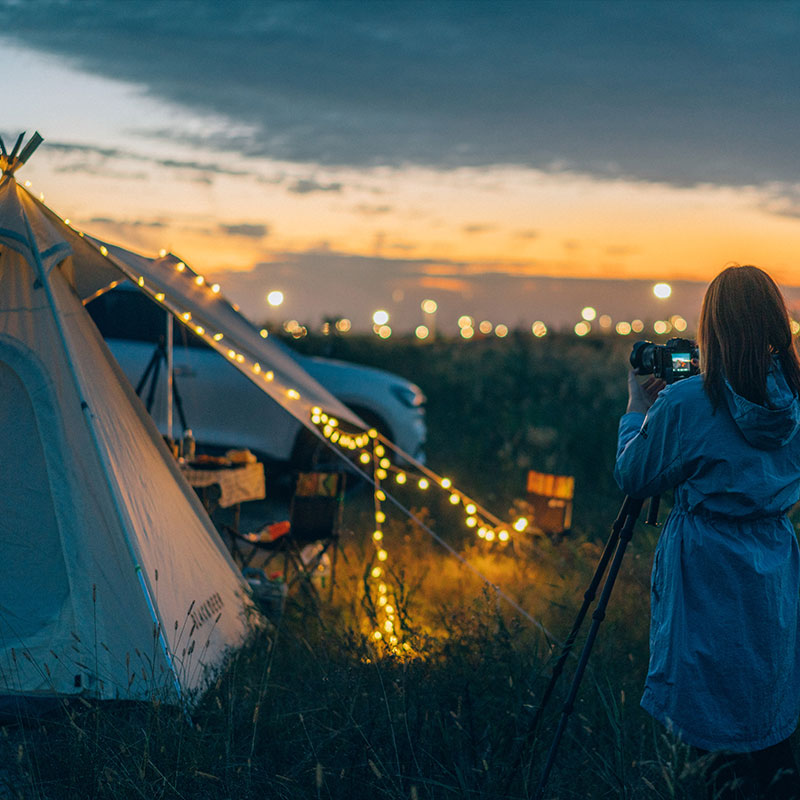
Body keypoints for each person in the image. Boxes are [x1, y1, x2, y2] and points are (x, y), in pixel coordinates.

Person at [615, 265, 800, 799]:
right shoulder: (796, 396)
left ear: (711, 326)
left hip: (707, 564)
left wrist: (636, 408)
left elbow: (635, 476)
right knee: (766, 692)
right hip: (774, 559)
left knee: (707, 712)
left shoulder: (690, 402)